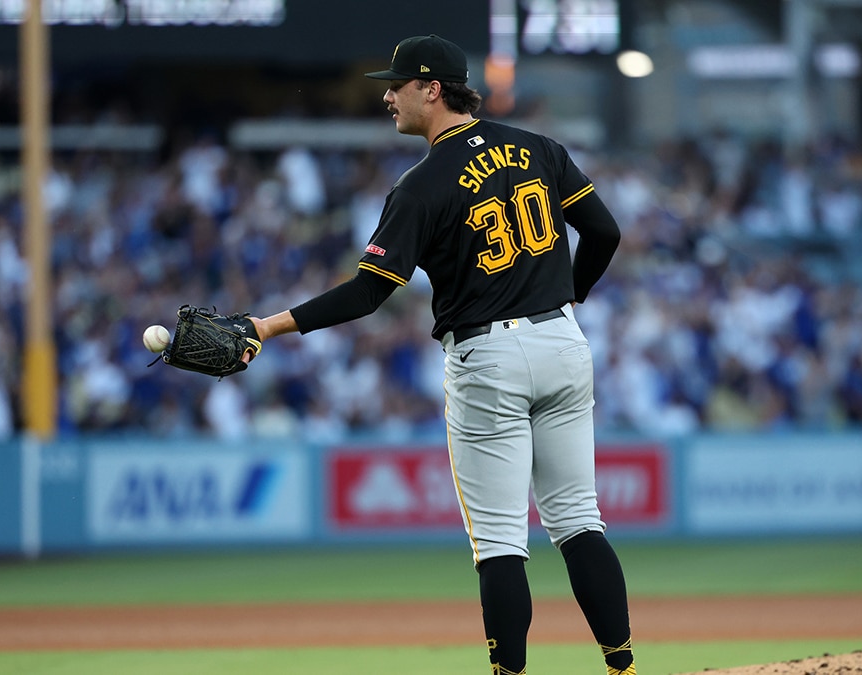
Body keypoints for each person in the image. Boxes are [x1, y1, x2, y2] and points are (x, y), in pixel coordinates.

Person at [243, 34, 635, 675]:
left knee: (502, 541)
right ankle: (623, 668)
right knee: (578, 519)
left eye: (396, 84)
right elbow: (605, 231)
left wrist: (270, 325)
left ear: (433, 88)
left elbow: (370, 293)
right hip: (563, 340)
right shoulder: (539, 148)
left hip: (488, 356)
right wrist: (572, 295)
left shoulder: (421, 185)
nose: (386, 95)